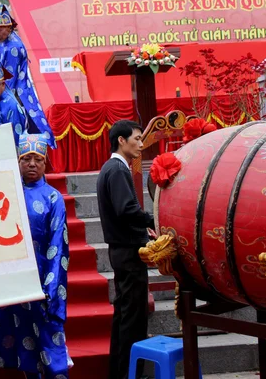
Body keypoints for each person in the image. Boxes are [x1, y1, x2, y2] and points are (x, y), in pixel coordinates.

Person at [0, 133, 72, 379]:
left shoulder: (53, 198)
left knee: (50, 345)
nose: (32, 164)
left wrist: (51, 285)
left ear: (45, 162)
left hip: (44, 281)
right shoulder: (6, 194)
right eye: (26, 159)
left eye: (37, 159)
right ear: (18, 162)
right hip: (15, 281)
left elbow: (59, 246)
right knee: (24, 345)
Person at [96, 120, 155, 379]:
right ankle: (132, 374)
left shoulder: (111, 168)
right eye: (137, 138)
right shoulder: (118, 169)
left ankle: (120, 372)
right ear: (121, 140)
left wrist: (144, 228)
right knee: (133, 318)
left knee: (124, 316)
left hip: (123, 250)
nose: (141, 144)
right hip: (128, 253)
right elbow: (126, 209)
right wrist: (154, 219)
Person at [0, 5, 55, 148]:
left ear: (8, 27)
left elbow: (9, 80)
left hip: (15, 93)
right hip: (12, 89)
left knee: (17, 133)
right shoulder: (4, 39)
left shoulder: (13, 47)